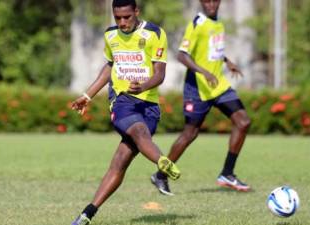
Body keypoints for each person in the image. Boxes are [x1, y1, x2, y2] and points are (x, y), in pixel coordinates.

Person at [70, 0, 180, 224]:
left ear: (136, 12)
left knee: (120, 162)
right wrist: (88, 95)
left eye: (127, 17)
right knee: (139, 132)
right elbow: (110, 67)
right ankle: (162, 162)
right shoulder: (111, 35)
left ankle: (87, 214)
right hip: (122, 101)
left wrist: (144, 86)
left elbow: (160, 73)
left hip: (149, 105)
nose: (122, 23)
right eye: (117, 18)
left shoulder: (154, 33)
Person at [150, 0, 251, 196]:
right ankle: (161, 175)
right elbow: (182, 55)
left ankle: (227, 173)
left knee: (243, 121)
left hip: (218, 85)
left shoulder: (218, 22)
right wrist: (204, 72)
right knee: (190, 134)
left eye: (214, 0)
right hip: (197, 89)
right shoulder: (197, 24)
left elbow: (210, 50)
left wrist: (227, 61)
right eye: (206, 1)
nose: (211, 4)